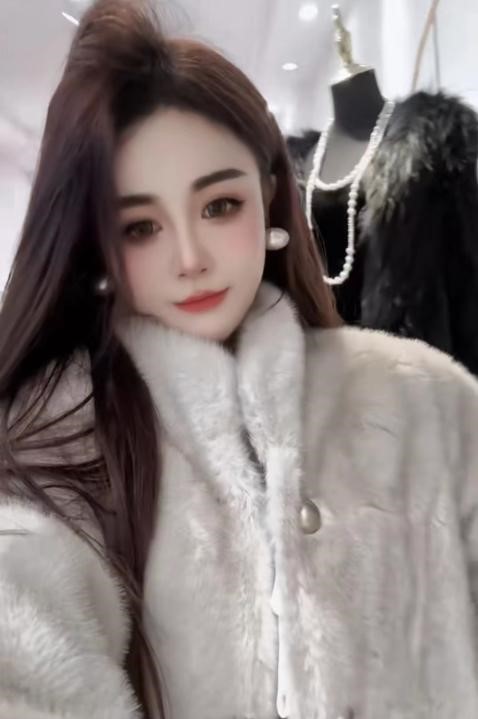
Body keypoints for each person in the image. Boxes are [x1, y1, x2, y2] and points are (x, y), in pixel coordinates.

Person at [1, 2, 478, 718]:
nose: (190, 258)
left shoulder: (428, 406)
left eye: (219, 206)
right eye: (140, 227)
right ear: (96, 244)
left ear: (269, 198)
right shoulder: (58, 439)